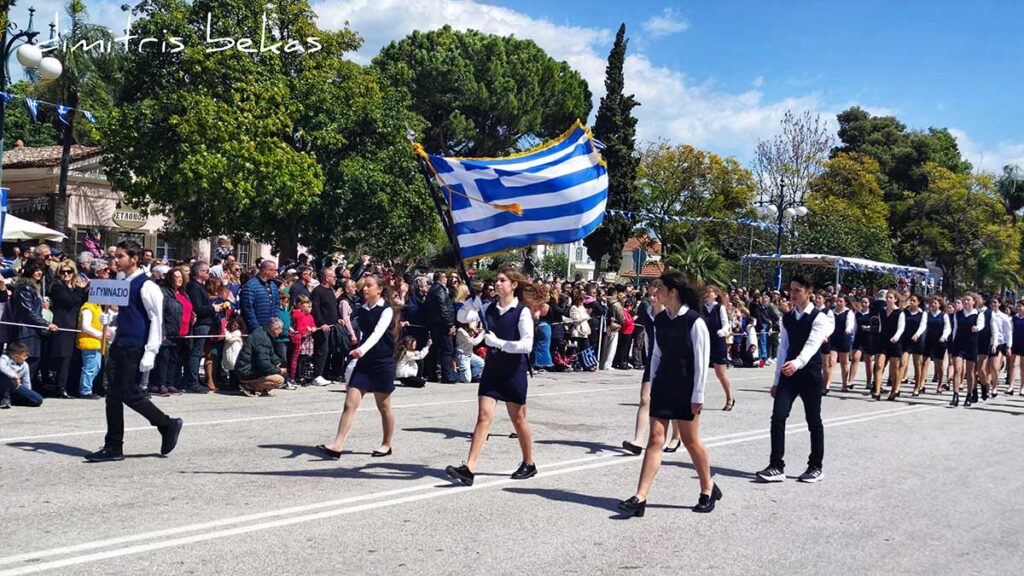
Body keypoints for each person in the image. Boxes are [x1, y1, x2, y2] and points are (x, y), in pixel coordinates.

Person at [617, 269, 718, 517]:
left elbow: (701, 362)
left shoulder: (695, 321)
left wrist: (698, 396)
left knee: (691, 441)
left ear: (673, 292)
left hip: (686, 388)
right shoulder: (660, 319)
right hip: (663, 385)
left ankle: (708, 487)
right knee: (655, 439)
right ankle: (640, 497)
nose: (655, 292)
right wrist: (651, 382)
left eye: (660, 288)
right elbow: (656, 355)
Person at [86, 241, 182, 462]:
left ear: (134, 259)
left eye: (120, 256)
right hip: (119, 344)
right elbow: (126, 315)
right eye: (115, 256)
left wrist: (151, 351)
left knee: (130, 393)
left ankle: (167, 424)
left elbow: (155, 320)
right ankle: (113, 445)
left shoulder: (147, 286)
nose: (115, 260)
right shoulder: (122, 283)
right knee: (112, 396)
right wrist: (109, 319)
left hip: (135, 347)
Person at [445, 267, 539, 486]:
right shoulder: (487, 308)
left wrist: (499, 344)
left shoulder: (521, 311)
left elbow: (527, 344)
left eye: (503, 280)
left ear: (514, 285)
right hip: (493, 370)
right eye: (496, 280)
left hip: (514, 370)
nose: (497, 284)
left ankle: (529, 462)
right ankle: (469, 468)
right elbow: (461, 317)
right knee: (483, 416)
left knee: (518, 419)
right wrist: (470, 303)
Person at [756, 274, 833, 484]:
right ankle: (776, 466)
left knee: (813, 421)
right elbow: (783, 348)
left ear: (809, 293)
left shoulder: (819, 317)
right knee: (778, 417)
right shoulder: (787, 317)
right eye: (791, 289)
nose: (793, 294)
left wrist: (797, 363)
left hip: (809, 375)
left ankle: (816, 466)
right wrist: (776, 380)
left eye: (797, 290)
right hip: (788, 376)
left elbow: (812, 344)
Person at [316, 274, 400, 458]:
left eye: (369, 286)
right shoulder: (362, 309)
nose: (365, 289)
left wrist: (360, 350)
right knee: (350, 403)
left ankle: (386, 444)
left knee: (384, 406)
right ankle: (337, 446)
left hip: (382, 361)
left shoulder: (386, 310)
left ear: (379, 289)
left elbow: (377, 334)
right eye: (364, 286)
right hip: (365, 362)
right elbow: (360, 332)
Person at [621, 279, 683, 456]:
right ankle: (637, 441)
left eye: (656, 294)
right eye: (650, 295)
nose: (653, 298)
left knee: (671, 403)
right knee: (645, 399)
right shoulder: (648, 312)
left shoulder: (672, 314)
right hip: (653, 362)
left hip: (671, 362)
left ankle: (676, 437)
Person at [8, 259, 60, 386]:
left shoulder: (33, 287)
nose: (39, 272)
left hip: (33, 331)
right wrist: (46, 324)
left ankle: (25, 391)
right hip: (25, 332)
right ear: (29, 271)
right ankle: (18, 392)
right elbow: (28, 312)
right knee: (24, 361)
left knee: (33, 361)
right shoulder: (24, 287)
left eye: (40, 270)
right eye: (36, 270)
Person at [49, 260, 89, 397]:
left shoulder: (72, 287)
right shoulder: (57, 286)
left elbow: (78, 302)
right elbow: (68, 302)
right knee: (64, 358)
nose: (66, 274)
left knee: (71, 358)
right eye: (63, 271)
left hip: (73, 324)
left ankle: (68, 386)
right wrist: (79, 289)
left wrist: (80, 289)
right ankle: (60, 388)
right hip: (63, 325)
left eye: (69, 271)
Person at [149, 267, 185, 397]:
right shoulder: (163, 292)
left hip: (177, 331)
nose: (180, 279)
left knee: (173, 359)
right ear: (170, 278)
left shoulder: (181, 292)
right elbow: (160, 313)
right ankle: (160, 384)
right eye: (177, 276)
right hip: (166, 330)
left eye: (181, 276)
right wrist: (162, 331)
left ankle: (170, 383)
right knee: (163, 359)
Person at [234, 317, 287, 397]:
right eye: (281, 329)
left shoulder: (264, 334)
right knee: (279, 380)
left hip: (249, 369)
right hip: (246, 371)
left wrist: (278, 363)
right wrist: (278, 370)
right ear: (276, 329)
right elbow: (264, 364)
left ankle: (259, 388)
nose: (281, 331)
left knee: (280, 373)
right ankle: (249, 387)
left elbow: (271, 354)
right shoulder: (262, 339)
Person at [701, 286, 735, 410]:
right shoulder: (702, 308)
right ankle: (698, 399)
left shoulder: (719, 307)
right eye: (705, 293)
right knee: (701, 371)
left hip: (717, 341)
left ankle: (730, 397)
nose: (707, 295)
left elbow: (726, 324)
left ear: (715, 295)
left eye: (709, 293)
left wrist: (723, 331)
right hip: (704, 341)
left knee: (720, 373)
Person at [950, 292, 983, 407]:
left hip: (971, 345)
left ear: (974, 302)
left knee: (970, 372)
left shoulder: (978, 314)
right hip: (959, 344)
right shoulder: (958, 314)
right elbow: (955, 329)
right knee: (957, 369)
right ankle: (955, 395)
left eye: (968, 300)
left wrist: (977, 328)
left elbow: (981, 325)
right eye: (964, 300)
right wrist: (952, 342)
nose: (966, 302)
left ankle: (969, 395)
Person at [423, 273, 457, 383]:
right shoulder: (440, 290)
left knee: (435, 349)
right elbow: (444, 308)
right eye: (445, 277)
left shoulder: (432, 290)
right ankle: (446, 375)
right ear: (441, 278)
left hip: (434, 324)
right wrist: (450, 324)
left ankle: (433, 374)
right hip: (442, 325)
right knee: (447, 349)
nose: (447, 279)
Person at [872, 290, 905, 401]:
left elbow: (901, 328)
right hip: (882, 340)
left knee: (894, 368)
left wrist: (896, 337)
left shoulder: (899, 312)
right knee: (879, 365)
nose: (888, 299)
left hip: (894, 342)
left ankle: (893, 390)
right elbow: (881, 325)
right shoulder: (882, 311)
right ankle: (877, 391)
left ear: (895, 299)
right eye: (887, 297)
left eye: (891, 297)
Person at [311, 267, 340, 385]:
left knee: (329, 351)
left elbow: (332, 308)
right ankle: (317, 375)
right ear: (327, 278)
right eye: (333, 277)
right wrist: (321, 323)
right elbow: (316, 309)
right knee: (321, 350)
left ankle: (326, 374)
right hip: (322, 327)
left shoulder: (330, 290)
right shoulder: (318, 291)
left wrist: (339, 319)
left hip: (333, 326)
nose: (335, 279)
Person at [76, 297, 108, 399]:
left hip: (96, 342)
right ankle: (85, 391)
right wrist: (101, 335)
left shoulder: (98, 307)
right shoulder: (88, 308)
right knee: (89, 368)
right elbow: (86, 327)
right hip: (89, 341)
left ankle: (88, 388)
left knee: (96, 367)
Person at [239, 259, 280, 334]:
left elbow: (276, 306)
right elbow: (248, 309)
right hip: (256, 330)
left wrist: (275, 324)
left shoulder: (273, 286)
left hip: (271, 329)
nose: (276, 273)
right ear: (266, 271)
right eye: (274, 270)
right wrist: (256, 328)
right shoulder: (250, 286)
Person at [921, 296, 951, 395]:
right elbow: (923, 325)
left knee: (939, 364)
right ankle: (922, 384)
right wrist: (918, 334)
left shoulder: (944, 315)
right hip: (929, 340)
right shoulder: (927, 314)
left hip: (940, 342)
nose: (933, 305)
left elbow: (947, 328)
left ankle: (939, 384)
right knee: (925, 362)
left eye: (935, 303)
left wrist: (944, 336)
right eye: (931, 303)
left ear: (939, 305)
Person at [899, 294, 927, 397]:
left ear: (918, 302)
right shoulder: (905, 312)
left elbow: (923, 325)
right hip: (906, 340)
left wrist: (917, 334)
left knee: (917, 364)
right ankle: (897, 387)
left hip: (917, 340)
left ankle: (917, 386)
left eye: (914, 301)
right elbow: (901, 325)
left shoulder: (922, 313)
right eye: (910, 300)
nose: (911, 302)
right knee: (902, 363)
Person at [0, 342, 44, 409]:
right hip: (3, 386)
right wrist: (15, 376)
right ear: (15, 356)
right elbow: (1, 367)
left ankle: (11, 401)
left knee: (38, 400)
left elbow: (26, 380)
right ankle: (5, 399)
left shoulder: (25, 365)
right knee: (5, 375)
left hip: (15, 387)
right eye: (24, 355)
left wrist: (28, 393)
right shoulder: (4, 358)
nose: (26, 357)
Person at [829, 296, 855, 394]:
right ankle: (827, 383)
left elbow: (850, 324)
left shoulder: (849, 313)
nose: (838, 303)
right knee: (831, 362)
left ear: (845, 303)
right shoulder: (831, 312)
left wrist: (848, 329)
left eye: (841, 301)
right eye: (837, 301)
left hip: (844, 339)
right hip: (833, 339)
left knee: (844, 364)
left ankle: (844, 384)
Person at [1005, 299, 1024, 396]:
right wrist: (1009, 345)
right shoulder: (1013, 318)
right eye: (1018, 307)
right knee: (1011, 365)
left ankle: (1022, 387)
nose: (1019, 308)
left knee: (1022, 366)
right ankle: (1011, 386)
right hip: (1014, 343)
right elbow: (1010, 332)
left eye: (1021, 306)